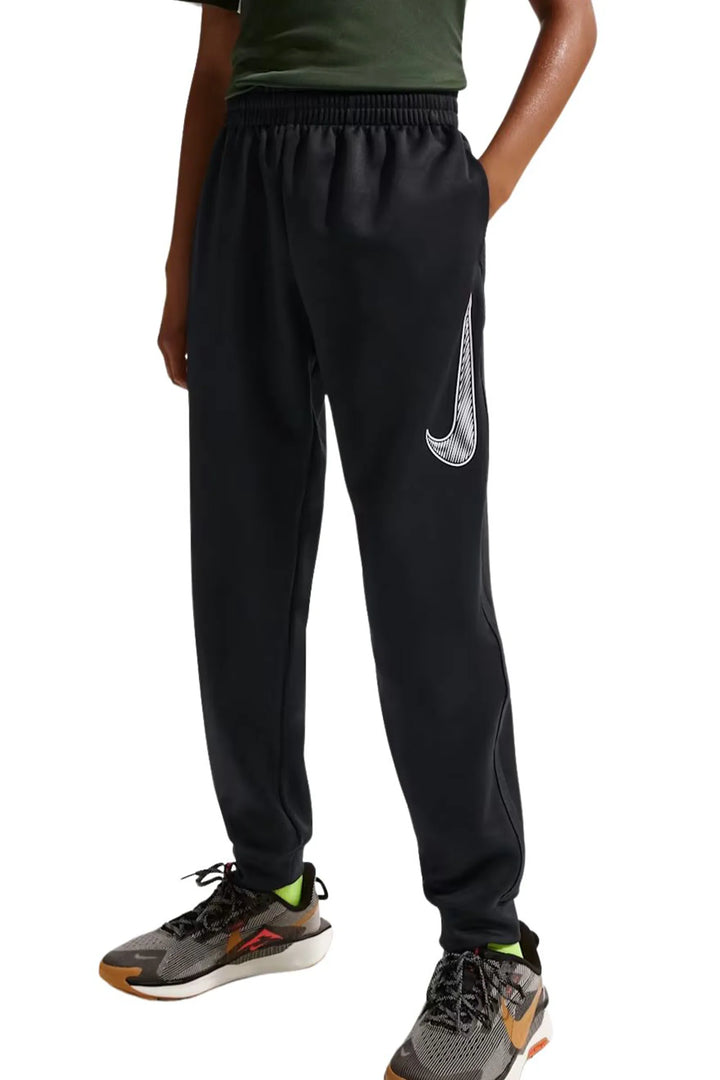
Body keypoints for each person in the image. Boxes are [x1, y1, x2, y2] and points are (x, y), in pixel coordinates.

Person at [100, 1, 596, 1075]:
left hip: (403, 175)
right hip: (247, 186)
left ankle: (492, 948)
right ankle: (269, 886)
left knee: (426, 582)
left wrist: (481, 191)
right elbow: (218, 59)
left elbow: (573, 21)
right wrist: (184, 259)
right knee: (241, 559)